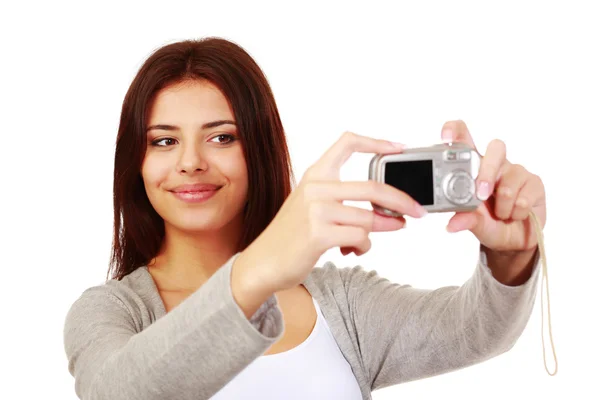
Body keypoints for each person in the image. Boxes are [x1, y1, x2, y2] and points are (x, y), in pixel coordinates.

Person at [63, 37, 545, 400]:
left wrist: (510, 253)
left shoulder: (341, 302)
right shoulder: (110, 312)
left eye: (222, 137)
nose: (190, 162)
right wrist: (260, 269)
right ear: (137, 163)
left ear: (261, 151)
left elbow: (475, 330)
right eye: (163, 141)